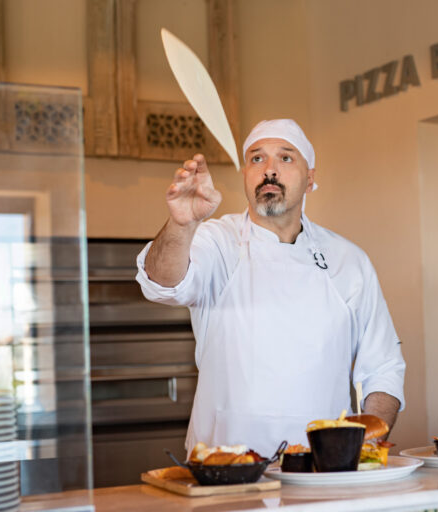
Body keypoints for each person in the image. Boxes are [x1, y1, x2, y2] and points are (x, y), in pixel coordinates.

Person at [136, 119, 405, 456]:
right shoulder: (217, 240)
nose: (270, 170)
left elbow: (383, 368)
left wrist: (364, 445)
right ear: (246, 175)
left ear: (310, 178)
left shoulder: (348, 261)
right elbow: (161, 284)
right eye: (257, 159)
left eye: (286, 158)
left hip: (323, 469)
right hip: (223, 465)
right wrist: (181, 223)